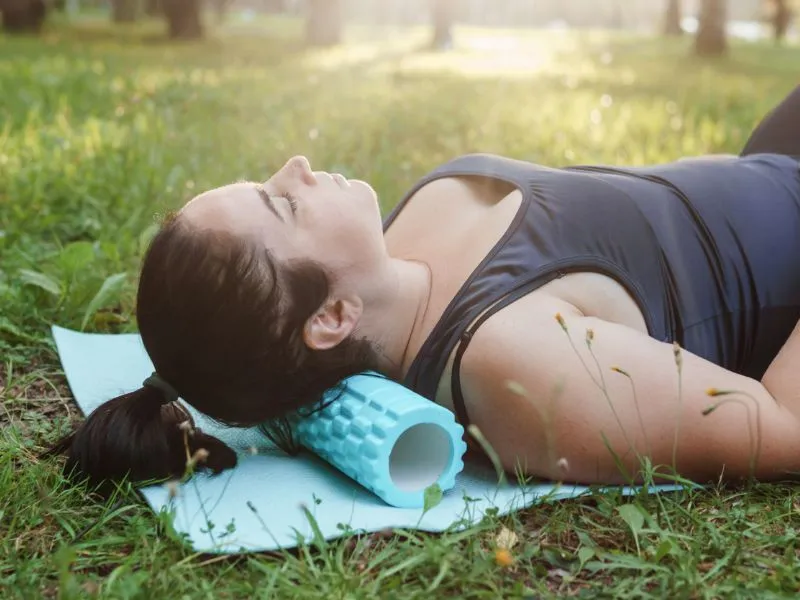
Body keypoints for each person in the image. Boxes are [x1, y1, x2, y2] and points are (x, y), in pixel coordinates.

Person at [49, 86, 800, 489]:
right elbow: (783, 427)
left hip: (771, 165)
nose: (297, 164)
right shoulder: (514, 365)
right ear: (333, 318)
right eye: (283, 203)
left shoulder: (399, 239)